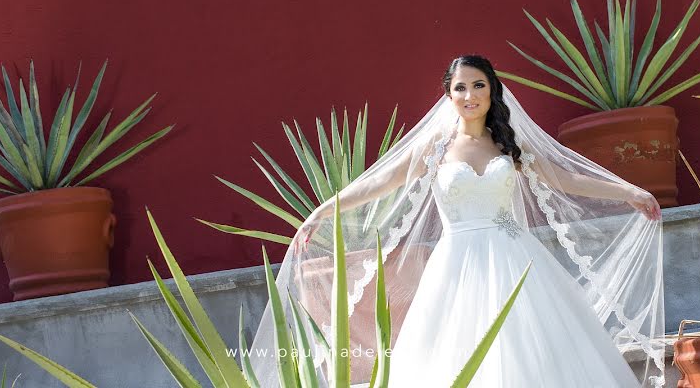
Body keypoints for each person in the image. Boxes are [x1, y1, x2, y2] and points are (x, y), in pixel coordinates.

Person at [248, 54, 666, 387]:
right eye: (460, 87)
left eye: (478, 85)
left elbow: (562, 177)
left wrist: (629, 192)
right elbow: (379, 182)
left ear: (492, 91)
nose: (470, 95)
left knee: (529, 350)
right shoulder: (437, 146)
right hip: (456, 265)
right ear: (448, 95)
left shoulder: (508, 143)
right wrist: (325, 210)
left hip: (516, 261)